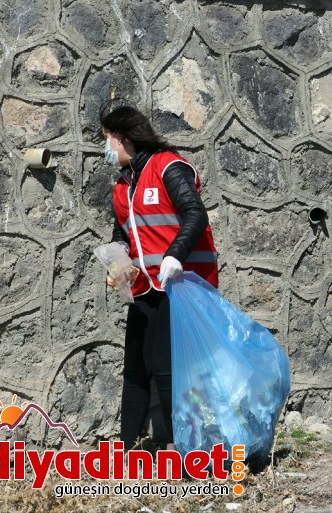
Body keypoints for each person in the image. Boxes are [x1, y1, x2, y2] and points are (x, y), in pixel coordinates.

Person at [101, 105, 219, 450]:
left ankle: (183, 450)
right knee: (136, 364)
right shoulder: (123, 186)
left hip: (182, 284)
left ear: (122, 138)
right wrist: (117, 261)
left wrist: (174, 256)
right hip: (144, 286)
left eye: (106, 139)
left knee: (166, 367)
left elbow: (195, 214)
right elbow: (122, 232)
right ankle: (127, 448)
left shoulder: (168, 166)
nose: (104, 148)